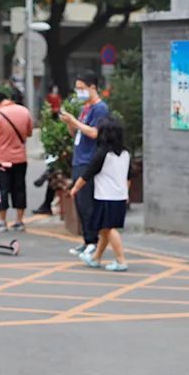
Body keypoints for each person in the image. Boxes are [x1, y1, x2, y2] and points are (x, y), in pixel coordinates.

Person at [70, 115, 131, 272]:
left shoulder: (102, 153)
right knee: (104, 229)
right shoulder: (125, 153)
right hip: (119, 196)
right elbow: (129, 176)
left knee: (109, 229)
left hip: (105, 196)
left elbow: (88, 173)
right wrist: (126, 193)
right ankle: (96, 258)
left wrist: (75, 188)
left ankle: (121, 260)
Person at [59, 70, 109, 257]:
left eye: (81, 89)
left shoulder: (100, 108)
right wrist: (69, 123)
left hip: (89, 160)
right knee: (80, 202)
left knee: (87, 203)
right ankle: (87, 240)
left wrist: (75, 122)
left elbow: (96, 133)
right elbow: (77, 134)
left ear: (92, 87)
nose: (79, 93)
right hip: (79, 158)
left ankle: (93, 241)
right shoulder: (86, 108)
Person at [0, 91, 33, 232]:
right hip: (20, 158)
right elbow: (29, 133)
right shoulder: (24, 111)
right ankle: (19, 221)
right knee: (20, 189)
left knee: (3, 189)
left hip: (2, 159)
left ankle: (2, 220)